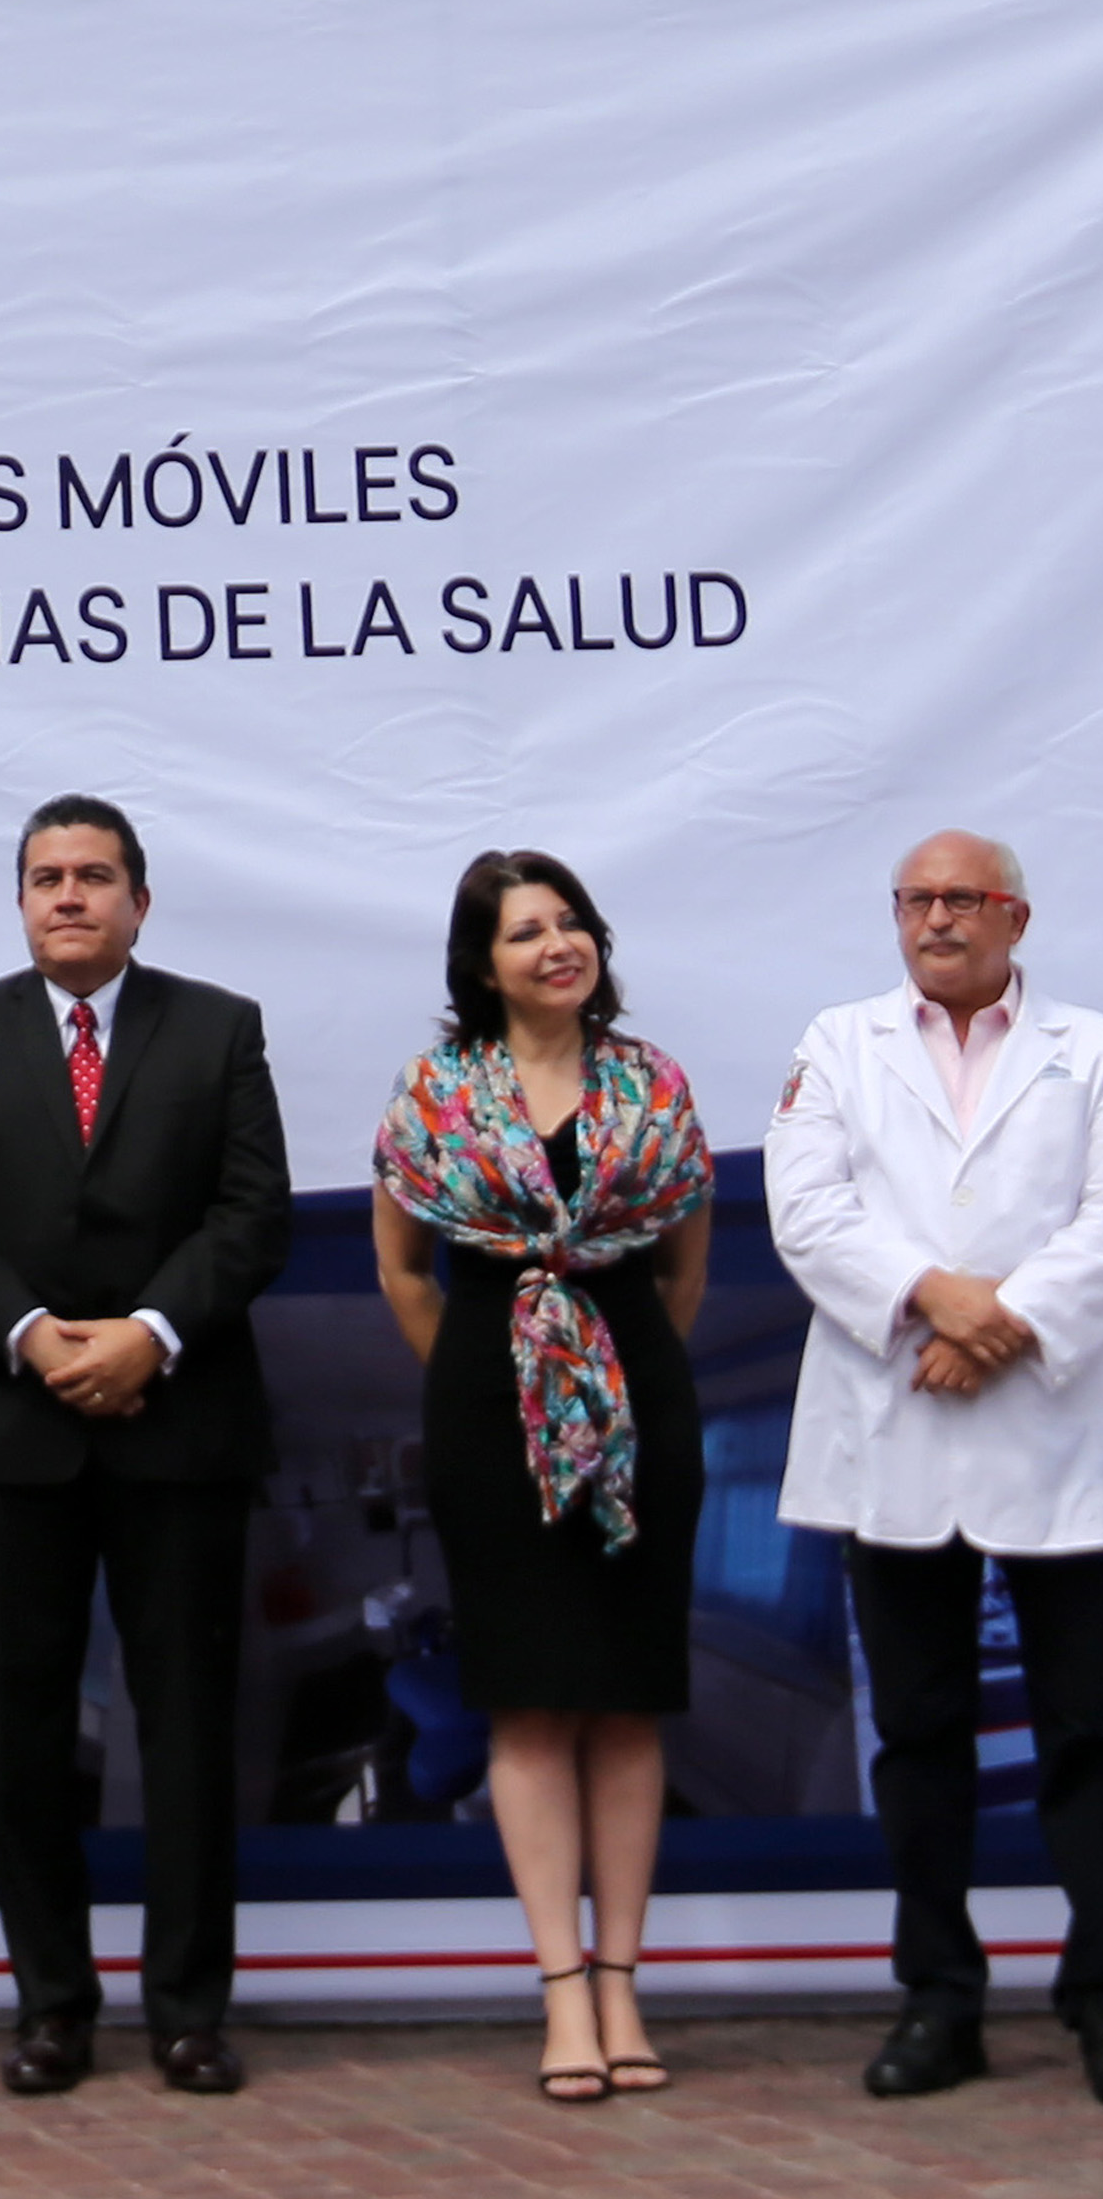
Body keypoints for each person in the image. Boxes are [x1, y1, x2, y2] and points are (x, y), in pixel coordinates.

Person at [761, 830, 1103, 2109]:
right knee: (922, 1735)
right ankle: (938, 1998)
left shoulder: (1092, 1045)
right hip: (895, 1416)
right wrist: (938, 1303)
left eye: (962, 899)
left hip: (1051, 1425)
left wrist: (1002, 1327)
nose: (936, 918)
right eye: (915, 899)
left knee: (1087, 1736)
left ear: (1015, 916)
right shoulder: (836, 1043)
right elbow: (807, 1212)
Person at [0, 792, 291, 2100]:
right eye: (45, 876)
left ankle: (187, 2012)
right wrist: (36, 1336)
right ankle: (51, 2006)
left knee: (182, 1732)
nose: (68, 894)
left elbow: (252, 1210)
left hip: (178, 1424)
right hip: (9, 1427)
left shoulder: (218, 1028)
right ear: (19, 900)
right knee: (20, 1737)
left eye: (95, 875)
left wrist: (150, 1333)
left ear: (139, 901)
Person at [369, 847, 711, 2106]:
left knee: (624, 1696)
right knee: (525, 1699)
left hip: (638, 1404)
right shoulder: (435, 1090)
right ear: (480, 963)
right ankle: (561, 1988)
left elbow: (678, 1269)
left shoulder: (651, 1084)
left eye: (570, 924)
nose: (555, 946)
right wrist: (499, 1375)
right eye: (525, 932)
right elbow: (406, 1271)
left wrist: (605, 1382)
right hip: (484, 1410)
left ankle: (624, 1981)